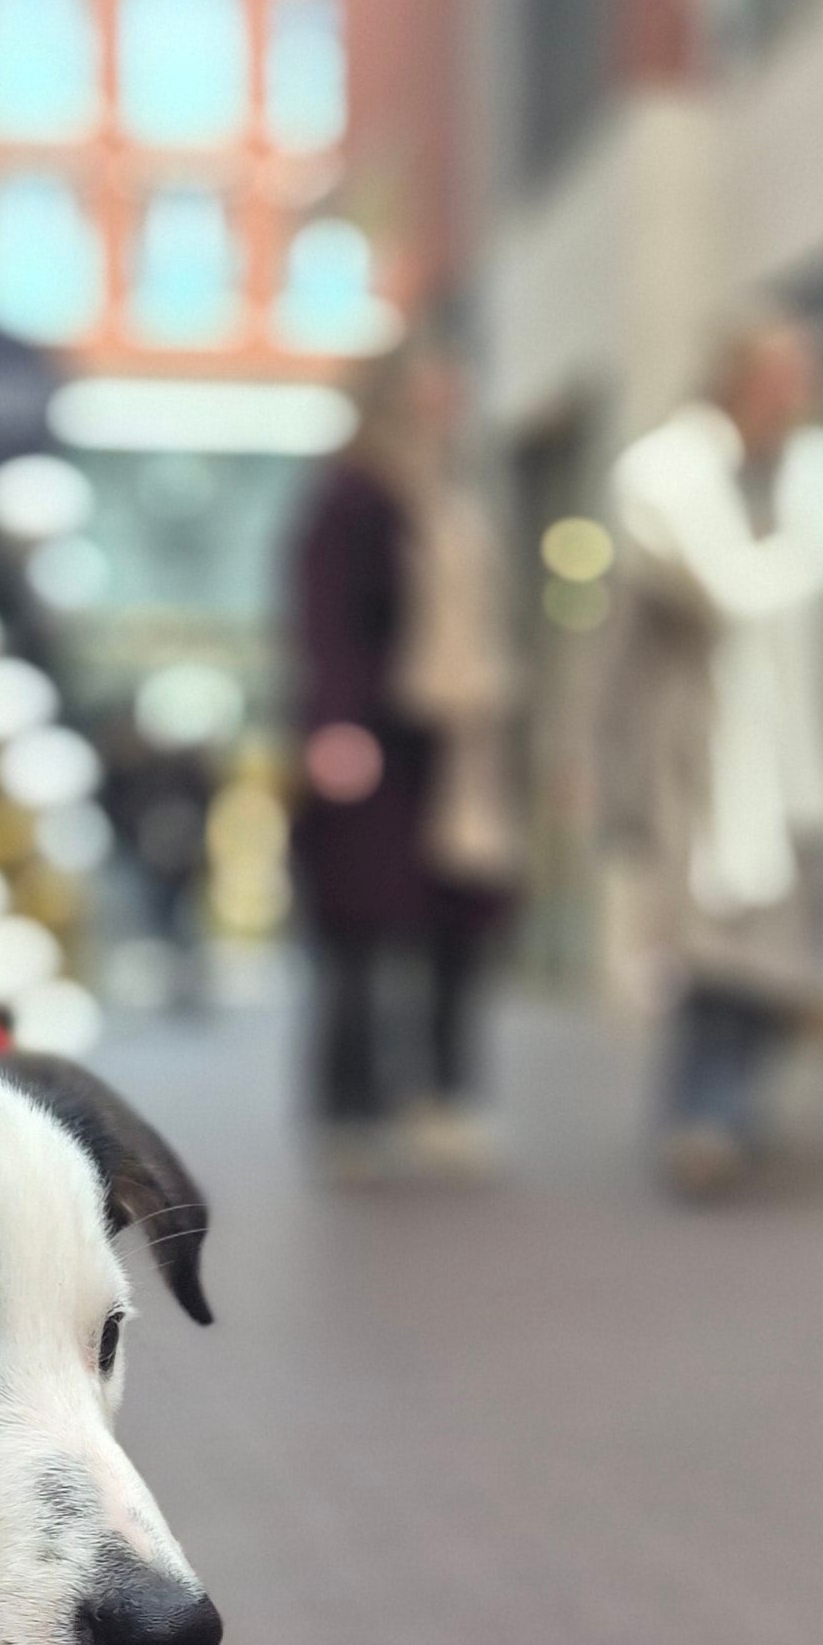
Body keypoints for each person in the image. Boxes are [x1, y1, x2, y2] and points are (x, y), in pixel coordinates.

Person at [606, 315, 823, 1197]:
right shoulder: (674, 486)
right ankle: (703, 1117)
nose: (798, 392)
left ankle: (727, 1108)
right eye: (781, 375)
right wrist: (612, 761)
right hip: (708, 764)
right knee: (713, 951)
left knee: (783, 963)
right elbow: (626, 651)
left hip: (805, 768)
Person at [285, 339, 522, 1180]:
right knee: (359, 933)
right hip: (376, 747)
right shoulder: (352, 498)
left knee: (456, 931)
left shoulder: (458, 496)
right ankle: (351, 1105)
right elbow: (325, 623)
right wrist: (334, 726)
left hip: (457, 753)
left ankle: (443, 1095)